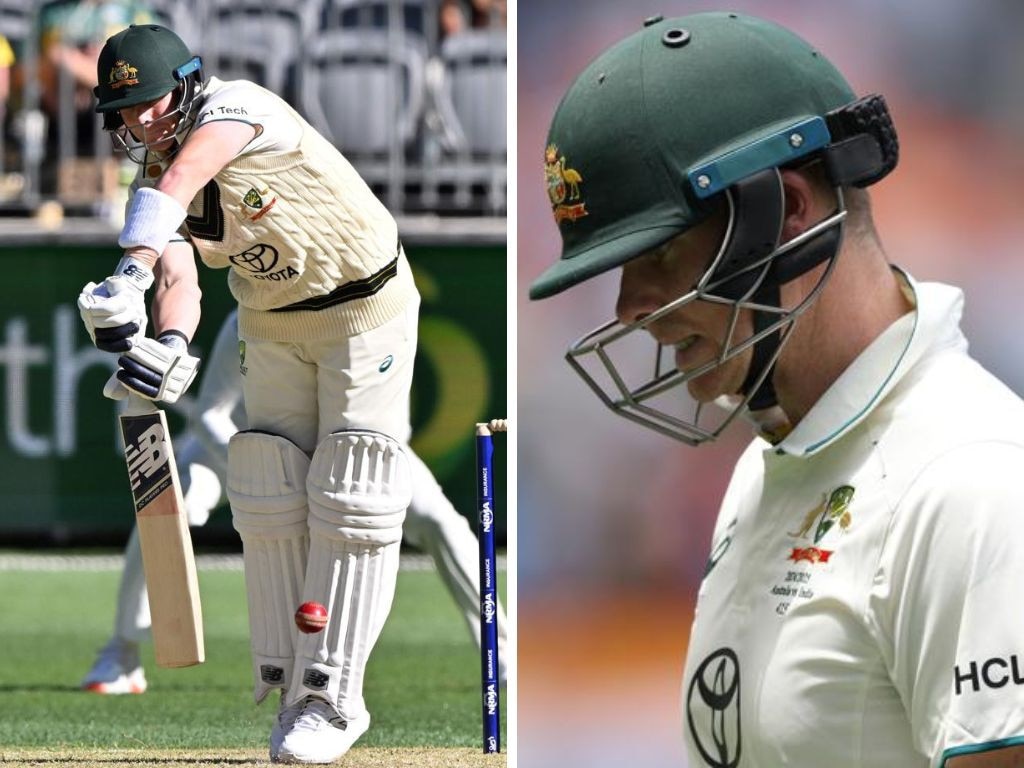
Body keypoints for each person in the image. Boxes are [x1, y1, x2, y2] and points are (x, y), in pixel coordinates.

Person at [529, 12, 1024, 768]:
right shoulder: (771, 459)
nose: (629, 307)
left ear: (788, 209)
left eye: (659, 251)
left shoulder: (973, 481)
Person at [76, 23, 420, 763]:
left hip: (365, 309)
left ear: (188, 82)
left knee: (352, 488)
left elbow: (180, 183)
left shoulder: (239, 107)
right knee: (266, 489)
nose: (140, 120)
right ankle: (293, 687)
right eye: (125, 109)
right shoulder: (153, 189)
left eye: (150, 101)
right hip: (271, 325)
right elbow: (179, 281)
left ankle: (336, 695)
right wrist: (165, 344)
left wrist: (122, 276)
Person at [80, 309, 509, 695]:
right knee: (177, 500)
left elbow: (393, 425)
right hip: (240, 445)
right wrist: (256, 480)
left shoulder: (372, 316)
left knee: (439, 520)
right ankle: (122, 651)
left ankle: (503, 654)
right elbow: (209, 413)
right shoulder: (248, 318)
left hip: (343, 449)